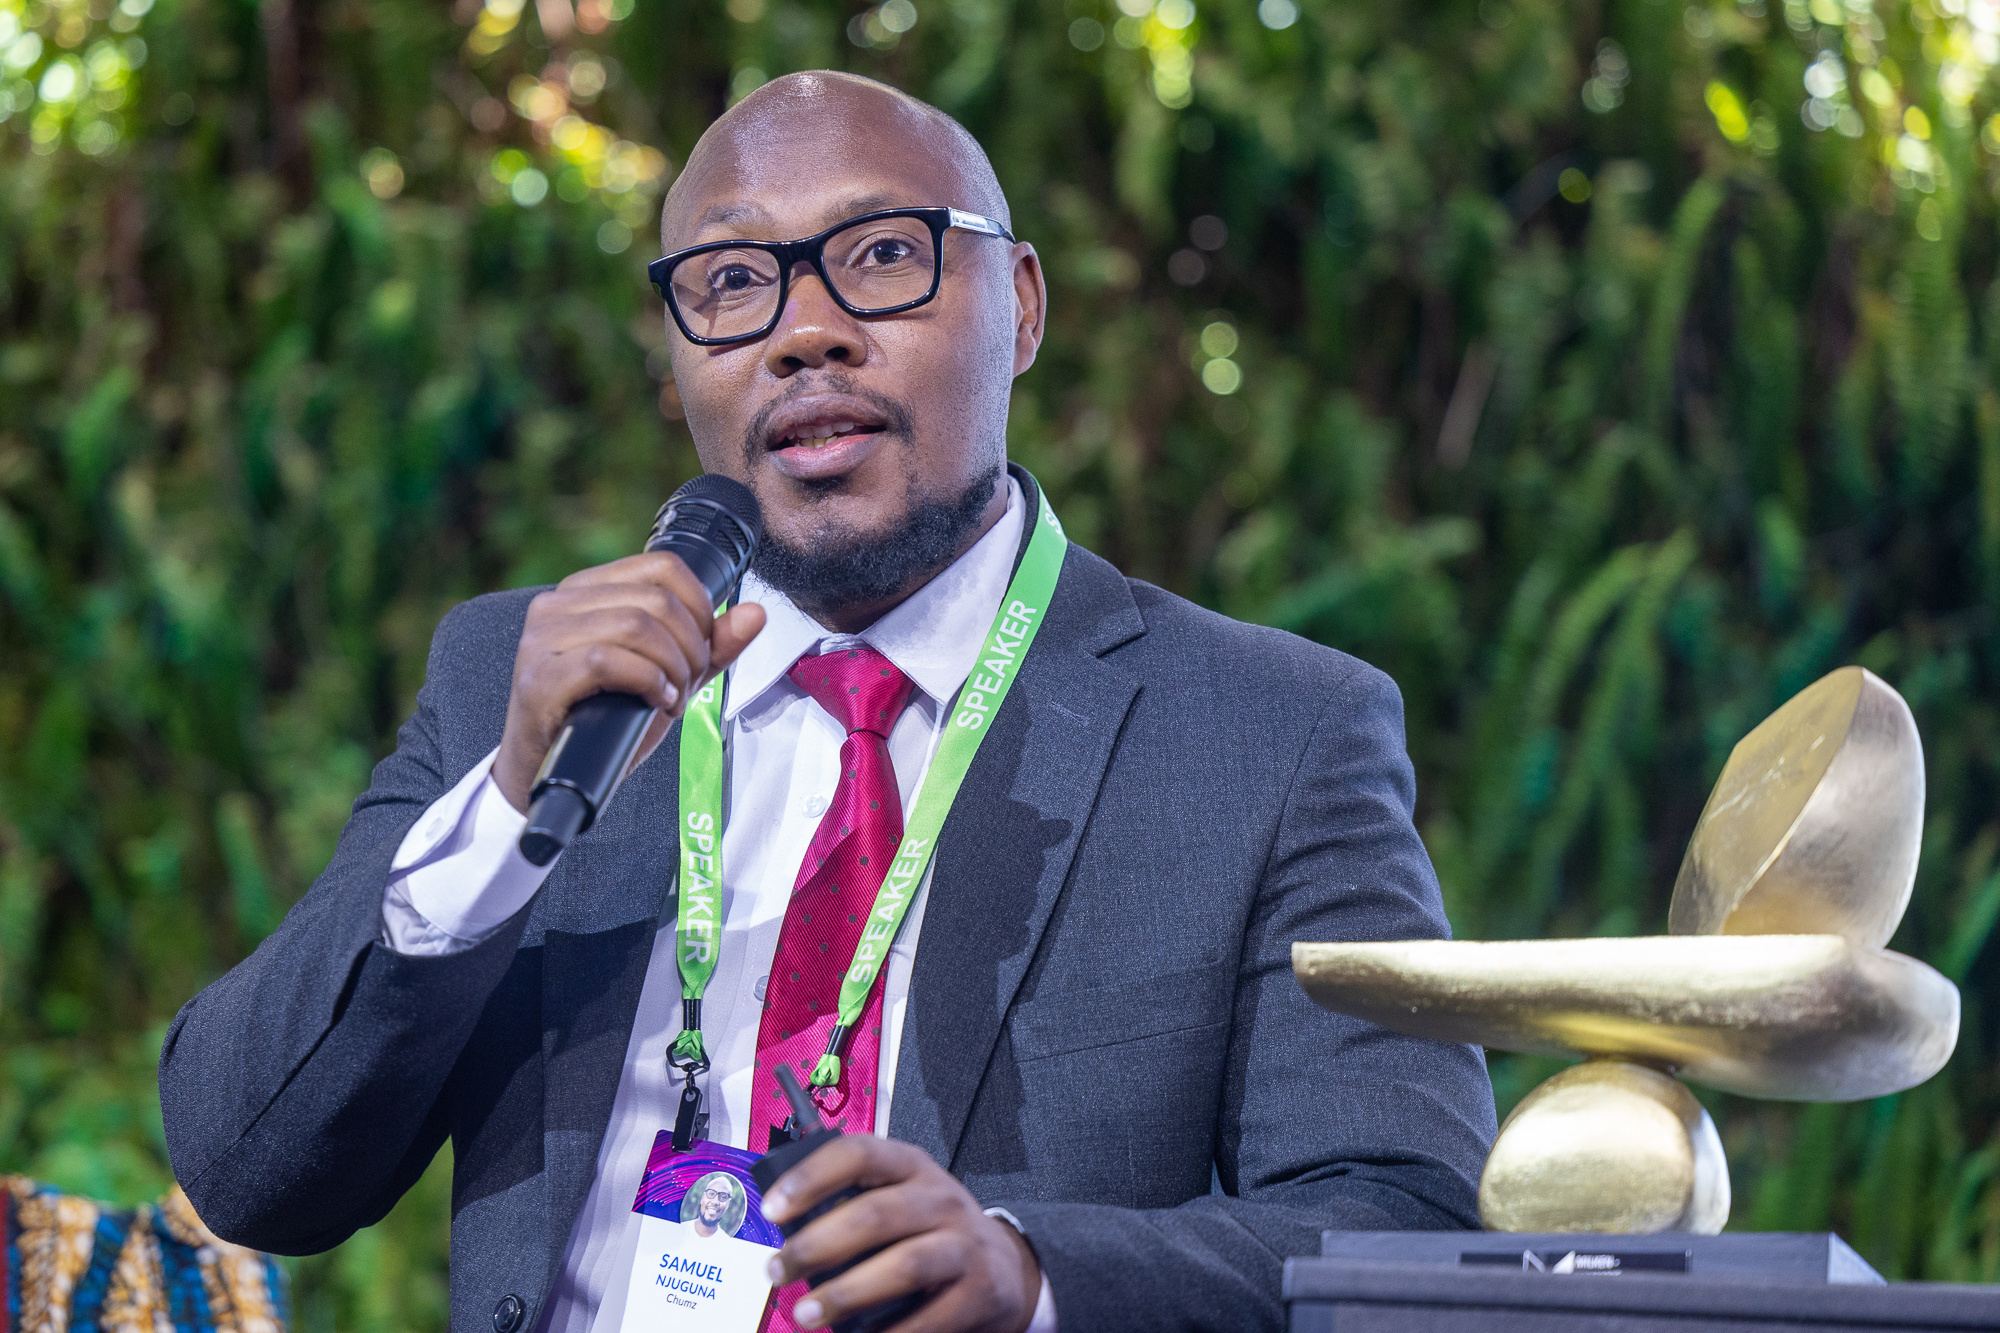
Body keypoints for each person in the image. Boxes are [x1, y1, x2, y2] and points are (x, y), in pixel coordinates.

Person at [158, 70, 1496, 1333]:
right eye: (733, 281)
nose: (806, 330)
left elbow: (1398, 1232)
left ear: (1022, 306)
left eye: (881, 254)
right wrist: (505, 810)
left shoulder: (1271, 733)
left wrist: (1031, 1275)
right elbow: (250, 1169)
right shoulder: (525, 682)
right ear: (678, 354)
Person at [684, 1173, 742, 1240]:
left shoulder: (727, 1245)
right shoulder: (680, 1229)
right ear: (702, 1198)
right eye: (711, 1194)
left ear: (728, 1204)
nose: (715, 1202)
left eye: (723, 1197)